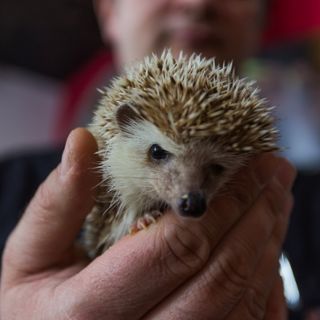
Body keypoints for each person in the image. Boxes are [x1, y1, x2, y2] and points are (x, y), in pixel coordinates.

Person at [0, 0, 306, 318]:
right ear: (109, 14)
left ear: (261, 22)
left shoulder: (307, 202)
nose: (197, 4)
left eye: (214, 169)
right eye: (158, 154)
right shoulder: (8, 183)